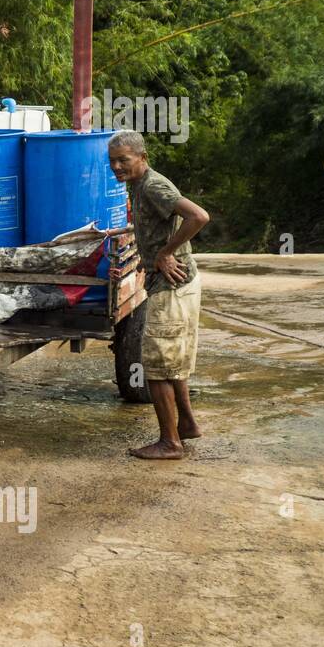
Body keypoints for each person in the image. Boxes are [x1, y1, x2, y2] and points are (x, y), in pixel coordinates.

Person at [107, 130, 210, 460]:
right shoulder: (136, 186)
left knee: (155, 366)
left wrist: (166, 253)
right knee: (172, 362)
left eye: (123, 160)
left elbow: (198, 216)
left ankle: (169, 443)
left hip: (172, 286)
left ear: (142, 157)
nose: (117, 167)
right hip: (174, 284)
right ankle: (188, 425)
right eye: (112, 161)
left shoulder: (153, 185)